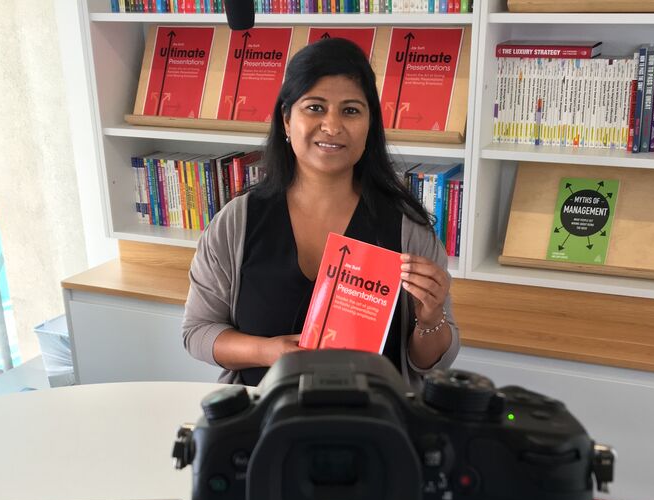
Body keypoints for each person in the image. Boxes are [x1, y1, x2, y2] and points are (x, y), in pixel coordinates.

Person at [182, 37, 460, 388]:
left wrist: (431, 317)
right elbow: (198, 331)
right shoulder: (236, 222)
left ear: (370, 125)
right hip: (262, 420)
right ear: (286, 120)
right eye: (314, 107)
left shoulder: (407, 229)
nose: (332, 126)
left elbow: (431, 364)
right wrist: (267, 351)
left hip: (372, 422)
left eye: (350, 110)